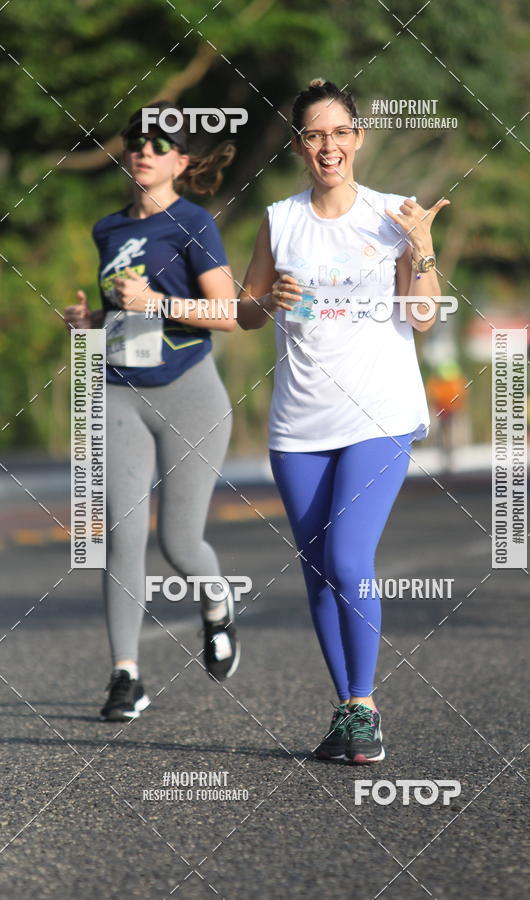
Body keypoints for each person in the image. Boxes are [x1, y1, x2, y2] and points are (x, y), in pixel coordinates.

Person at [237, 79, 448, 764]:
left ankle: (363, 706)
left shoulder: (394, 214)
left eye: (338, 133)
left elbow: (422, 317)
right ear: (300, 146)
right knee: (317, 570)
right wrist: (268, 298)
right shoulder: (280, 219)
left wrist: (421, 249)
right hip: (299, 422)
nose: (327, 146)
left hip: (378, 412)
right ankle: (347, 713)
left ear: (358, 138)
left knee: (349, 557)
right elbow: (245, 309)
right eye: (313, 135)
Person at [63, 100, 240, 721]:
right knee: (121, 534)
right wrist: (89, 322)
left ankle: (216, 603)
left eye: (159, 143)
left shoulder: (194, 223)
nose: (143, 149)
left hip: (190, 392)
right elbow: (121, 312)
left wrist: (159, 301)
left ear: (182, 161)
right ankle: (125, 676)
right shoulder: (108, 229)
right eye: (136, 140)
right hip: (117, 390)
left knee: (179, 543)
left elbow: (231, 314)